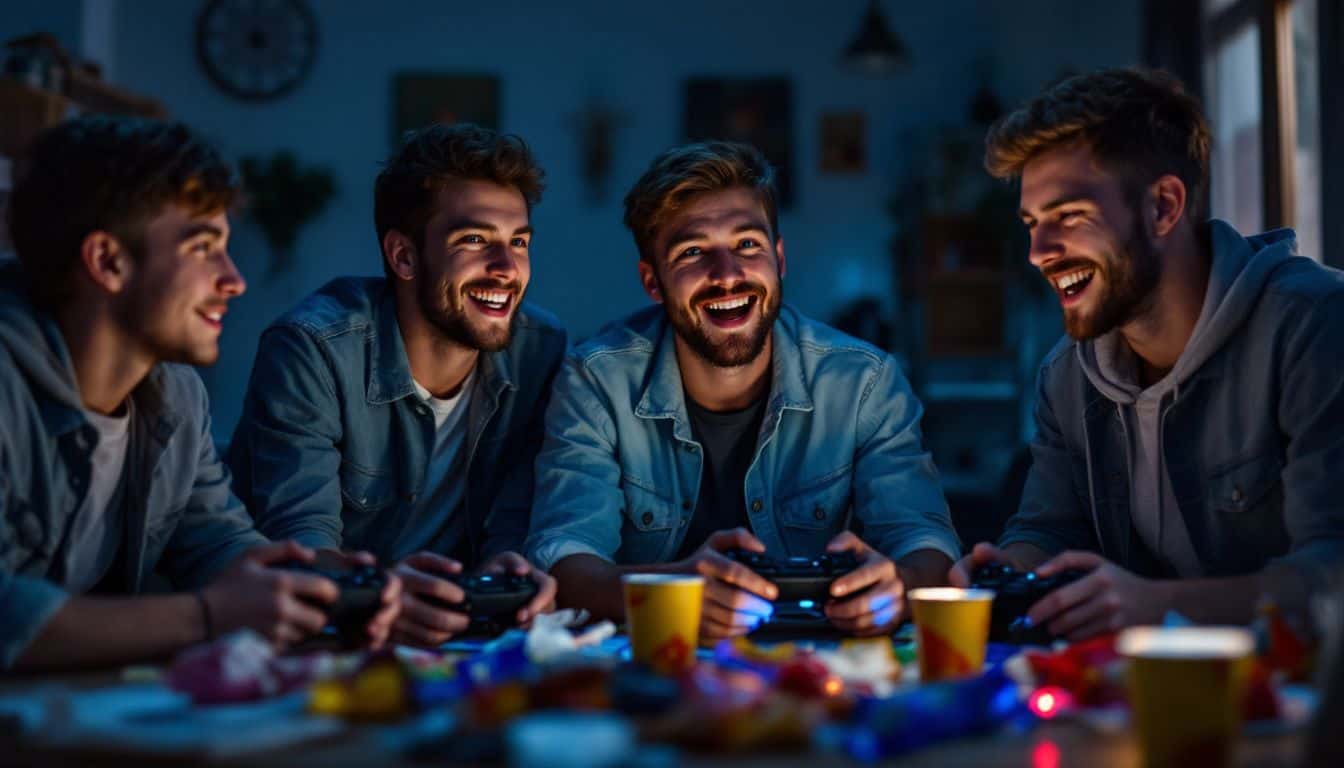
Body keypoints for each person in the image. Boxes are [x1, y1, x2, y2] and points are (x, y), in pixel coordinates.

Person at [949, 68, 1344, 641]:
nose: (1037, 253)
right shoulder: (1067, 375)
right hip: (1133, 701)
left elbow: (1332, 577)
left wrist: (1155, 606)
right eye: (1032, 224)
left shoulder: (1315, 327)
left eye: (1069, 216)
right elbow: (1049, 527)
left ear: (1163, 206)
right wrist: (1014, 568)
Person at [0, 116, 398, 671]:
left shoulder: (175, 393)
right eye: (203, 247)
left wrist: (356, 591)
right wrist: (209, 616)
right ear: (108, 261)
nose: (234, 279)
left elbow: (218, 543)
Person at [525, 141, 960, 641]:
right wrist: (676, 591)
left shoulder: (865, 381)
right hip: (653, 666)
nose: (727, 275)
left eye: (748, 245)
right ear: (653, 281)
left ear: (779, 258)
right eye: (693, 253)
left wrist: (898, 587)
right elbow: (563, 558)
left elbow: (926, 540)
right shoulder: (595, 379)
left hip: (827, 667)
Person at [228, 124, 563, 647]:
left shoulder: (539, 349)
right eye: (475, 240)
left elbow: (514, 521)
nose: (506, 268)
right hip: (319, 640)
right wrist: (382, 595)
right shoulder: (313, 348)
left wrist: (511, 575)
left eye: (518, 242)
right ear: (403, 257)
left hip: (459, 639)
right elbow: (299, 542)